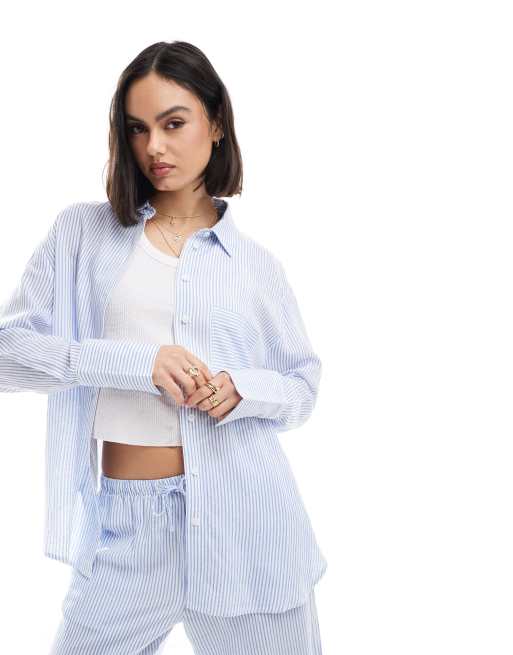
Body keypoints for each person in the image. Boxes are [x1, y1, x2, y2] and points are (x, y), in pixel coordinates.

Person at [0, 41, 327, 654]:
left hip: (248, 526)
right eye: (137, 128)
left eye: (174, 124)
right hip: (126, 528)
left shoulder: (255, 266)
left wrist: (242, 389)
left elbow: (302, 386)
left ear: (216, 123)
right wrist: (135, 364)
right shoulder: (82, 234)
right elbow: (8, 352)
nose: (154, 147)